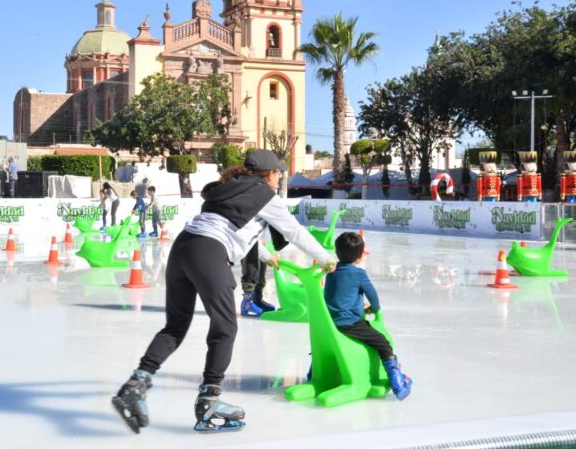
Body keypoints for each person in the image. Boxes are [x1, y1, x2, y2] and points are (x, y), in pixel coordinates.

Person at [112, 149, 336, 434]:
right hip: (209, 252)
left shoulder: (228, 189)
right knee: (226, 328)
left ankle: (135, 385)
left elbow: (236, 228)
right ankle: (209, 401)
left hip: (183, 248)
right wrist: (326, 257)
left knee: (175, 327)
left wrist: (267, 256)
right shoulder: (266, 195)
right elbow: (295, 232)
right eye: (278, 172)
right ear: (269, 174)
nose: (280, 176)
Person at [324, 231, 412, 400]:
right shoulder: (359, 274)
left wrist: (359, 306)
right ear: (360, 256)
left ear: (337, 252)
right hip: (349, 323)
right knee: (382, 342)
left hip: (330, 321)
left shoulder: (332, 272)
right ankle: (398, 382)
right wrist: (374, 308)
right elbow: (373, 297)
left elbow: (340, 296)